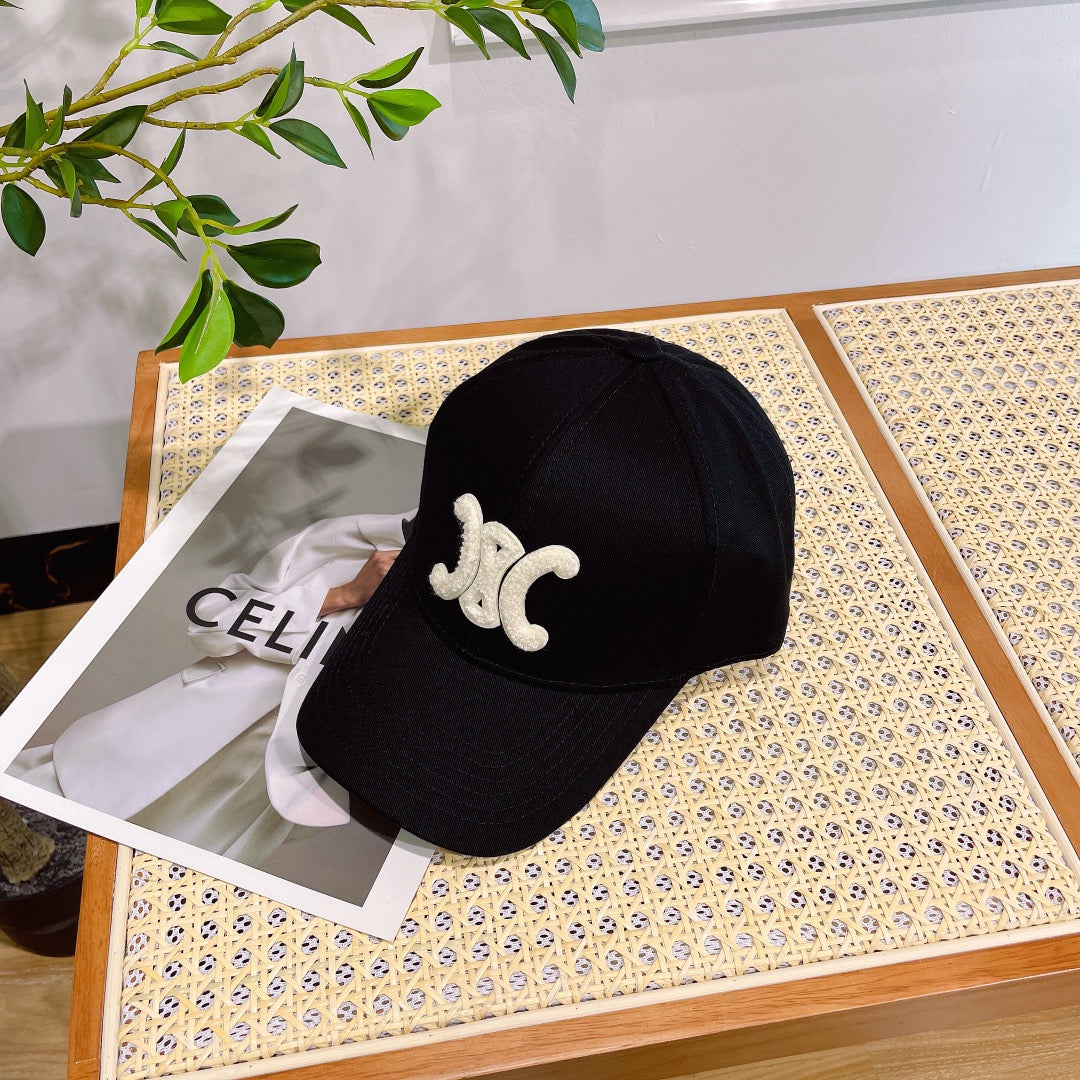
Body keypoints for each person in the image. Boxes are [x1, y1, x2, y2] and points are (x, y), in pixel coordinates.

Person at [9, 511, 411, 867]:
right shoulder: (348, 540)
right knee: (30, 818)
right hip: (182, 727)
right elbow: (211, 620)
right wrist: (342, 595)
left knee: (131, 886)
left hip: (261, 788)